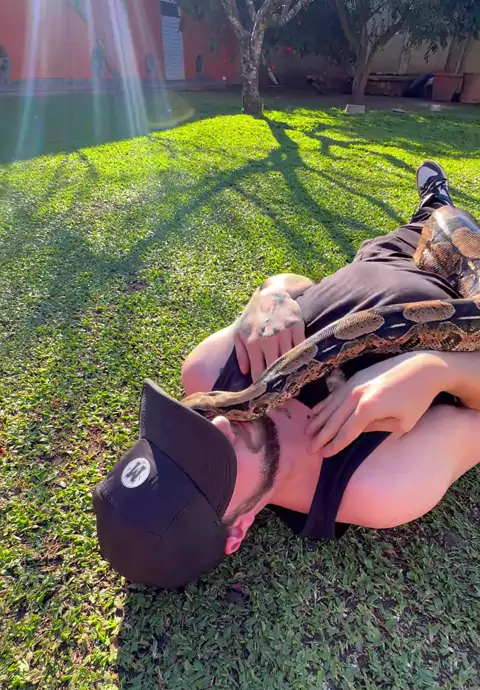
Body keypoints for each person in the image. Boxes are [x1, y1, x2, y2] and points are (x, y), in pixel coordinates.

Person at [93, 161, 480, 589]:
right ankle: (439, 206)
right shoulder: (382, 485)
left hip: (389, 250)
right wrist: (436, 371)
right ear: (237, 529)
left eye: (180, 435)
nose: (220, 422)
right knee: (456, 224)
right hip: (468, 287)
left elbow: (299, 283)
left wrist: (271, 293)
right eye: (206, 465)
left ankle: (432, 205)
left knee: (434, 217)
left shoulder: (207, 371)